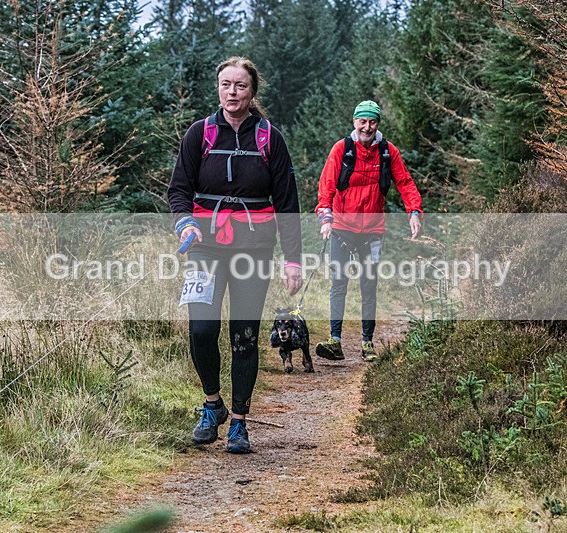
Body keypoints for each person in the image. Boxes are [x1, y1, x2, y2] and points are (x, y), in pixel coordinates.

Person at [168, 56, 302, 454]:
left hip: (254, 249)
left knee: (243, 336)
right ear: (218, 88)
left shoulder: (270, 139)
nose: (232, 92)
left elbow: (287, 203)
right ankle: (213, 405)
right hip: (205, 248)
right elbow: (178, 190)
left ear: (252, 92)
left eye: (240, 86)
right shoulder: (199, 134)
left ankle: (239, 424)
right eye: (226, 84)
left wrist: (292, 260)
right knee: (202, 331)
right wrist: (185, 223)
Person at [314, 100, 423, 362]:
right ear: (354, 122)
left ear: (377, 124)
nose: (367, 127)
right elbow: (326, 185)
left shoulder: (387, 151)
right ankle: (335, 340)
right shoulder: (342, 149)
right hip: (341, 227)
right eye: (362, 121)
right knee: (339, 282)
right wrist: (325, 219)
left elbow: (405, 182)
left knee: (368, 285)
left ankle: (367, 342)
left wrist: (415, 212)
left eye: (372, 121)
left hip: (373, 231)